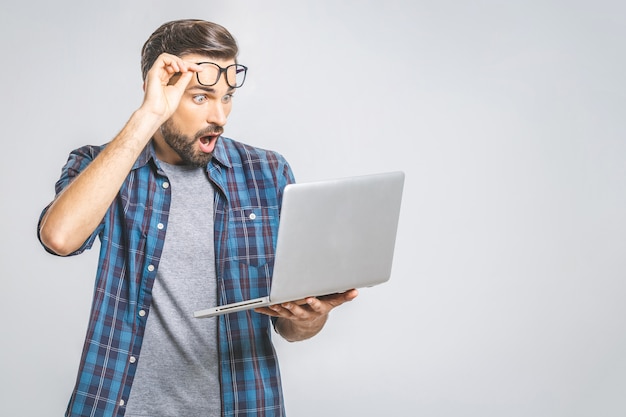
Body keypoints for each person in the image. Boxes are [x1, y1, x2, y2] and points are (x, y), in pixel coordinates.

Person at [38, 19, 358, 417]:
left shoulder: (268, 173)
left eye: (226, 98)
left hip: (243, 405)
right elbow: (60, 237)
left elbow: (291, 328)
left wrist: (310, 318)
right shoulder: (100, 166)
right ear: (158, 89)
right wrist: (148, 116)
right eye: (201, 97)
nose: (220, 116)